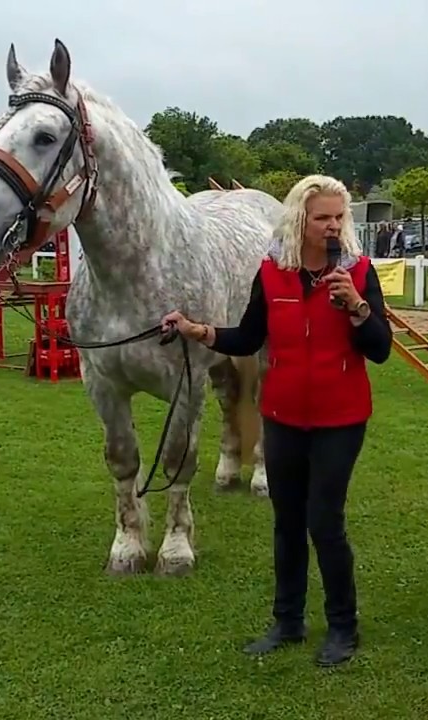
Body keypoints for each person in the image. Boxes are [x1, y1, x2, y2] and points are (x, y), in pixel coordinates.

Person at [160, 174, 392, 668]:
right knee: (286, 524)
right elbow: (247, 337)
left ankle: (342, 628)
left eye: (338, 217)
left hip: (340, 418)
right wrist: (195, 329)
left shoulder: (360, 271)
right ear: (299, 220)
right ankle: (287, 622)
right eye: (322, 217)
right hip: (283, 417)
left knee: (324, 524)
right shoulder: (271, 273)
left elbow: (381, 349)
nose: (332, 226)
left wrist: (357, 306)